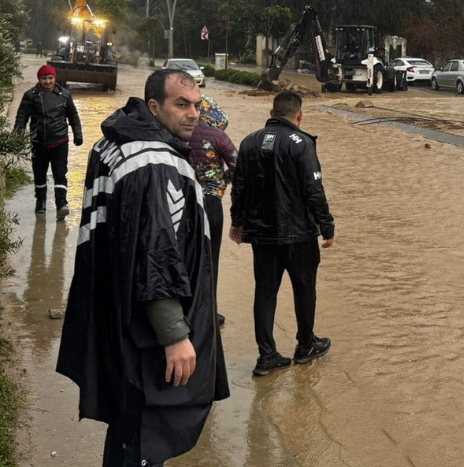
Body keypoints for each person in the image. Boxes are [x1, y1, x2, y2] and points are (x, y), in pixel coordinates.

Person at [57, 69, 229, 467]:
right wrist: (174, 335)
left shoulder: (114, 143)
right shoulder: (157, 163)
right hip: (146, 333)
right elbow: (156, 252)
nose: (193, 115)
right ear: (154, 107)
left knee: (125, 424)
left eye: (198, 106)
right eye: (181, 105)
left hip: (115, 312)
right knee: (147, 431)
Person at [230, 90, 335, 377]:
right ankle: (305, 345)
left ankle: (267, 356)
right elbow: (314, 191)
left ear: (271, 112)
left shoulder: (249, 142)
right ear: (298, 115)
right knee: (305, 288)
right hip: (299, 235)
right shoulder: (302, 143)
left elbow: (238, 187)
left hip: (261, 235)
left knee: (264, 293)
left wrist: (237, 223)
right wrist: (327, 226)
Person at [188, 95, 237, 328]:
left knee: (186, 255)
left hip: (182, 201)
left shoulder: (180, 133)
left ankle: (186, 309)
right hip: (210, 203)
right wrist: (222, 179)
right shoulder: (218, 136)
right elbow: (240, 167)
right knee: (210, 258)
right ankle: (208, 312)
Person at [13, 64, 82, 219]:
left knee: (60, 173)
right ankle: (41, 202)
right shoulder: (30, 96)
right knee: (39, 174)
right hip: (39, 143)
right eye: (44, 78)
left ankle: (61, 205)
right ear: (39, 79)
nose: (48, 81)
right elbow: (21, 118)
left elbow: (73, 117)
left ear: (55, 78)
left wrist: (78, 134)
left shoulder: (65, 95)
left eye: (50, 78)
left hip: (60, 142)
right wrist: (17, 135)